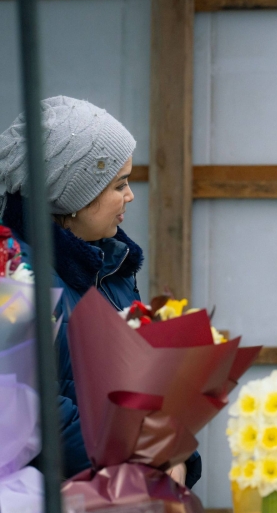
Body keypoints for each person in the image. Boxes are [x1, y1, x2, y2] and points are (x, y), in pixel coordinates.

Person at [0, 96, 201, 487]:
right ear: (70, 196)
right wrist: (141, 464)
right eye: (119, 184)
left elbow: (150, 383)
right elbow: (36, 405)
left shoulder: (112, 266)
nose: (129, 196)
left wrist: (176, 456)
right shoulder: (14, 277)